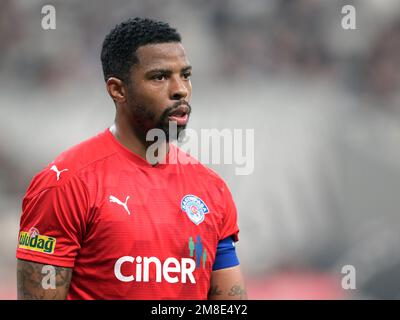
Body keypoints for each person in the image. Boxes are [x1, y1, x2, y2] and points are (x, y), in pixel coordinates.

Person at [16, 17, 247, 300]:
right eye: (159, 77)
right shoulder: (66, 184)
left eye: (185, 75)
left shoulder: (213, 190)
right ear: (117, 89)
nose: (181, 89)